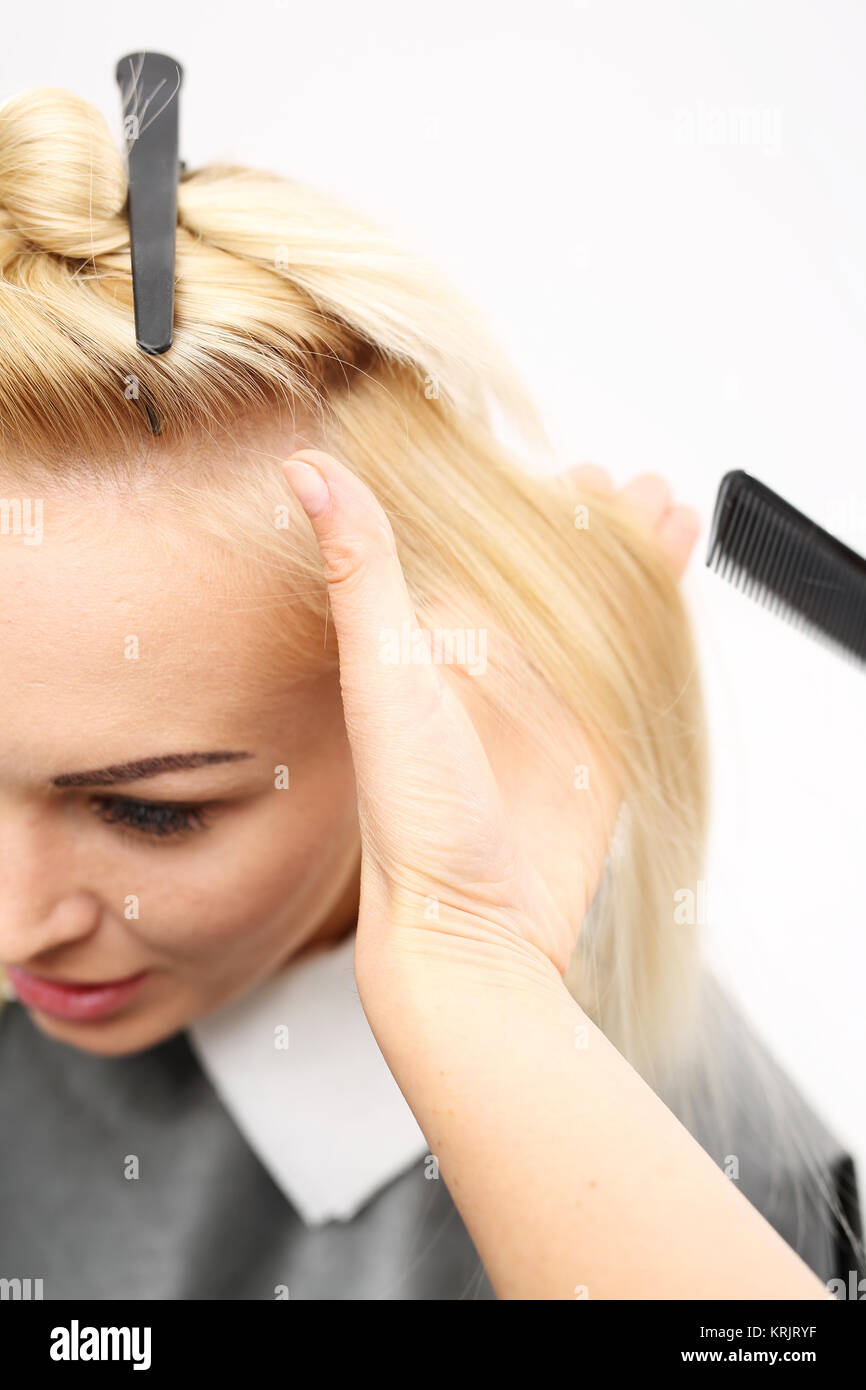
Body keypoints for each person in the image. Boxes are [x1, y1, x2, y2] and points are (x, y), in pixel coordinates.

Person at [0, 85, 859, 1300]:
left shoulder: (721, 1201)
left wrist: (468, 976)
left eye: (151, 811)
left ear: (406, 701)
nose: (13, 922)